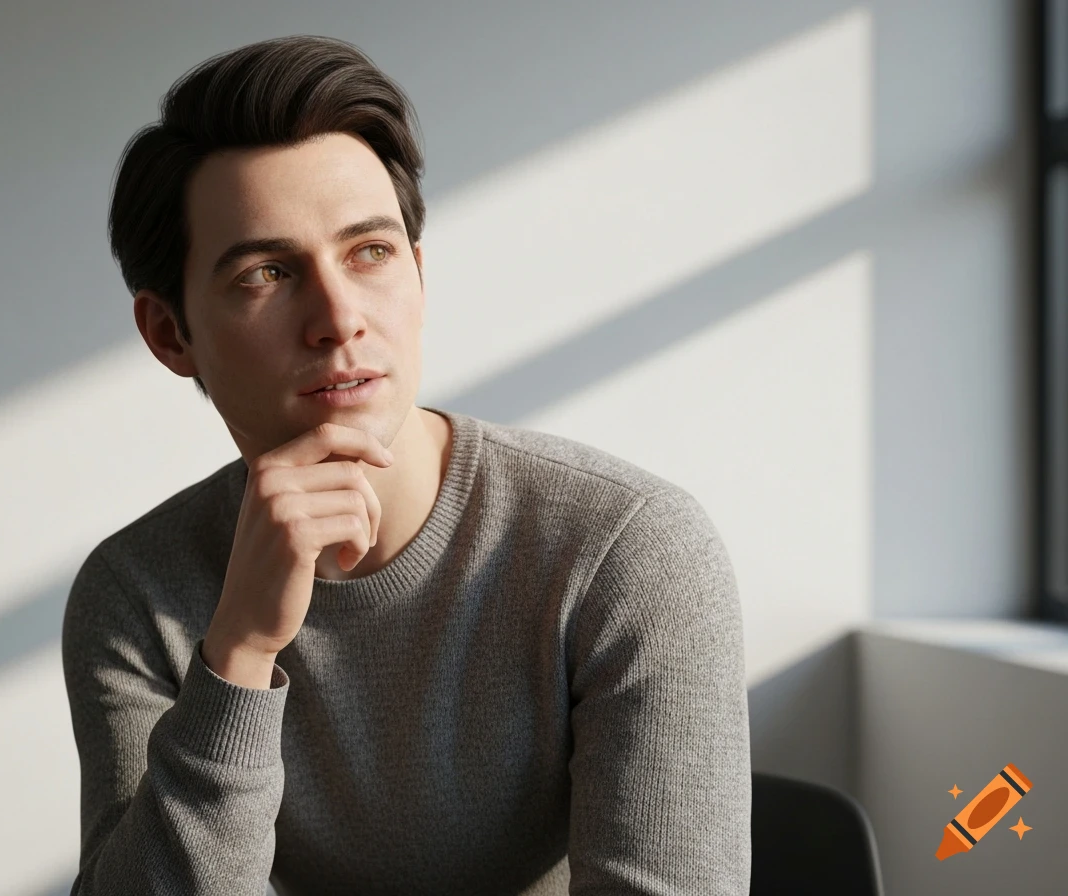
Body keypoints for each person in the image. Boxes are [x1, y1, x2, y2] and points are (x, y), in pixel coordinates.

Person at [61, 33, 751, 896]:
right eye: (268, 272)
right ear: (171, 334)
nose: (338, 317)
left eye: (370, 253)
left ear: (418, 277)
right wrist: (237, 653)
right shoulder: (135, 593)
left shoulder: (628, 551)